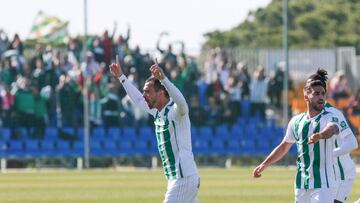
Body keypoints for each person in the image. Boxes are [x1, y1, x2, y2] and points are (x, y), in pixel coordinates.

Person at [109, 56, 200, 203]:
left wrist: (164, 79)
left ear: (161, 93)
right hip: (178, 178)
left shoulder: (176, 111)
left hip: (183, 178)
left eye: (148, 92)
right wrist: (121, 77)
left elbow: (182, 102)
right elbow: (138, 99)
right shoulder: (158, 111)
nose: (144, 95)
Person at [253, 70, 341, 203]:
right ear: (306, 97)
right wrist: (264, 164)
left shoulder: (329, 116)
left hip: (324, 183)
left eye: (323, 93)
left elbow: (333, 128)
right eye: (317, 94)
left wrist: (321, 135)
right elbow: (284, 147)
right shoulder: (296, 121)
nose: (321, 97)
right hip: (301, 183)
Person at [307, 69, 358, 203]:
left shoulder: (333, 113)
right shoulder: (307, 117)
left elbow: (353, 143)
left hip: (342, 172)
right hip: (327, 175)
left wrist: (330, 153)